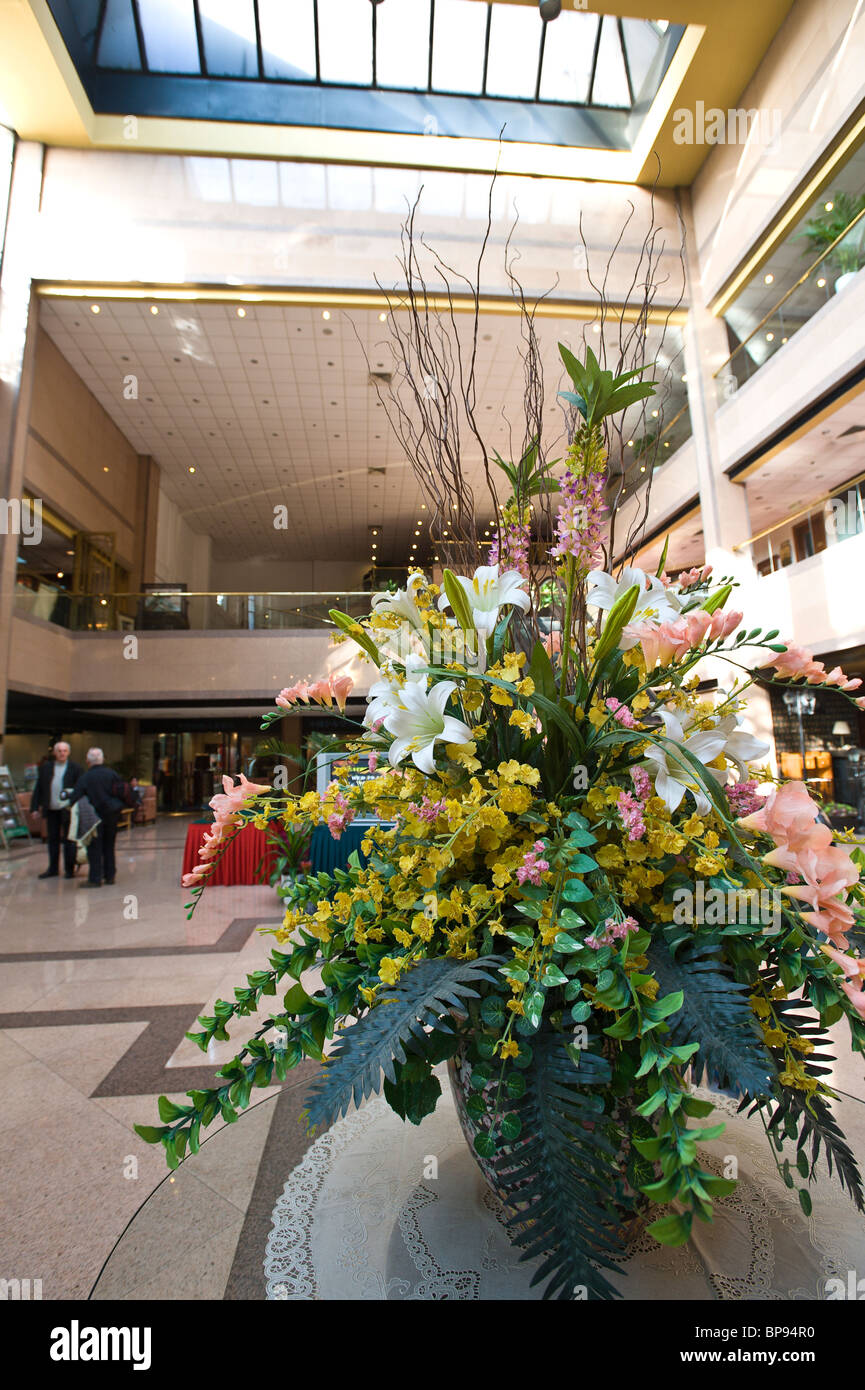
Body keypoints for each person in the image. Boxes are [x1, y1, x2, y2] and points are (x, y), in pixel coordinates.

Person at [66, 748, 124, 888]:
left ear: (87, 762)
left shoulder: (85, 777)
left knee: (94, 847)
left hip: (93, 818)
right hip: (111, 815)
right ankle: (110, 875)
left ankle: (95, 878)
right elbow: (122, 791)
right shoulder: (112, 774)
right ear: (103, 760)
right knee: (109, 846)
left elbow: (75, 797)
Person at [30, 741, 83, 879]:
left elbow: (80, 789)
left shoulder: (75, 768)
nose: (62, 753)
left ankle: (69, 869)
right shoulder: (46, 768)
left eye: (64, 751)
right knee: (52, 839)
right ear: (55, 753)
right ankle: (53, 868)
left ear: (68, 753)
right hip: (52, 809)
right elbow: (39, 789)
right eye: (59, 751)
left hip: (68, 810)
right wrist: (34, 808)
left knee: (68, 840)